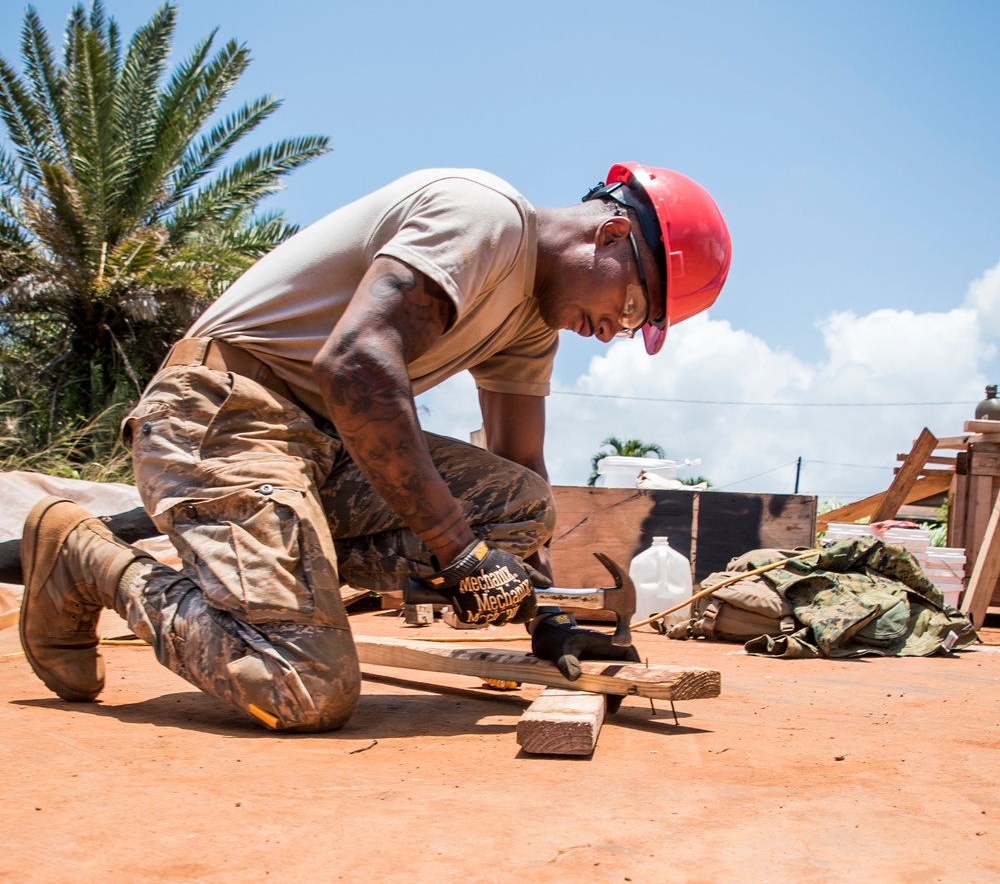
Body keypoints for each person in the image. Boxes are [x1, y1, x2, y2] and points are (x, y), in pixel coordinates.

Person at [19, 163, 731, 732]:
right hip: (223, 414)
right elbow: (356, 363)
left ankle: (288, 580)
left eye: (636, 328)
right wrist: (457, 551)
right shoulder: (482, 214)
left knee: (522, 505)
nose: (614, 331)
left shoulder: (530, 323)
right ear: (609, 236)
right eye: (633, 306)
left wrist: (544, 612)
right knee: (306, 687)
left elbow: (519, 474)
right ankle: (86, 556)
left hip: (319, 448)